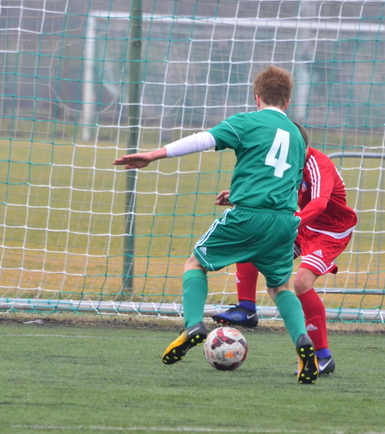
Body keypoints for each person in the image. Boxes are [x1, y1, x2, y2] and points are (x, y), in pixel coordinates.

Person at [112, 65, 319, 384]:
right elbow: (284, 180)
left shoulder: (248, 121)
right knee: (280, 287)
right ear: (288, 101)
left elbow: (202, 140)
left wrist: (154, 155)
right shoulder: (296, 135)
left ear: (257, 96)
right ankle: (303, 342)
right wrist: (237, 193)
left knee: (195, 263)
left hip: (249, 215)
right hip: (283, 221)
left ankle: (194, 325)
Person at [212, 124, 357, 376]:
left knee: (301, 283)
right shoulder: (288, 162)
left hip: (329, 230)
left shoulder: (317, 163)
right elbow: (268, 192)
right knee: (252, 246)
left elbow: (321, 203)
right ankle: (247, 309)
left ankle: (323, 357)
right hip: (301, 224)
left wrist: (295, 222)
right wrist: (237, 197)